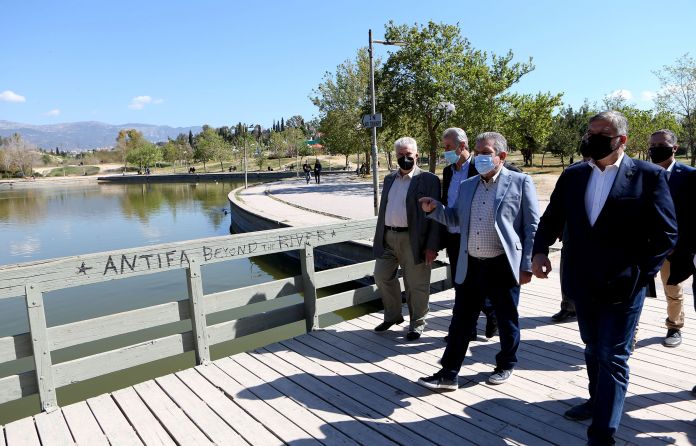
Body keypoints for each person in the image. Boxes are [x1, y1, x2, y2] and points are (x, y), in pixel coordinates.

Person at [531, 111, 677, 446]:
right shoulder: (573, 175)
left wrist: (641, 274)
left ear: (621, 140)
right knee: (593, 347)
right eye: (590, 131)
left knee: (613, 355)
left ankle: (602, 434)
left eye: (601, 133)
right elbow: (552, 218)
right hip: (583, 281)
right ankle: (597, 400)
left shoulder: (648, 176)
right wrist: (539, 252)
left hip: (624, 286)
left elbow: (667, 233)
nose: (592, 137)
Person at [418, 131, 539, 388]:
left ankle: (506, 364)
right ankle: (448, 373)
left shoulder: (520, 182)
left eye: (486, 153)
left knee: (506, 319)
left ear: (501, 156)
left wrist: (527, 264)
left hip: (503, 264)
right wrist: (436, 209)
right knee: (461, 321)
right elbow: (456, 219)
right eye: (478, 152)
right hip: (471, 263)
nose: (480, 157)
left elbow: (531, 227)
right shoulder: (467, 185)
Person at [373, 137, 441, 340]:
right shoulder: (389, 179)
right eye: (400, 155)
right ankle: (393, 315)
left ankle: (417, 324)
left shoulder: (428, 180)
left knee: (416, 284)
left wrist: (432, 246)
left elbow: (436, 216)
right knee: (381, 276)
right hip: (388, 236)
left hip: (414, 240)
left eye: (408, 154)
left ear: (416, 155)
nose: (404, 158)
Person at [441, 127, 498, 340]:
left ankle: (491, 314)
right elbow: (447, 202)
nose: (445, 151)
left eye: (448, 147)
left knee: (478, 284)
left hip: (475, 236)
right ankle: (469, 329)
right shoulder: (448, 172)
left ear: (462, 146)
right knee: (460, 284)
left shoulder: (479, 167)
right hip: (453, 236)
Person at [648, 129, 696, 347]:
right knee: (635, 290)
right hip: (645, 246)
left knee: (672, 289)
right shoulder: (642, 173)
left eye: (661, 145)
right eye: (653, 145)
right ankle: (630, 331)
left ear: (674, 148)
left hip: (673, 247)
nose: (655, 149)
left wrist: (680, 245)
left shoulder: (690, 176)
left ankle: (674, 326)